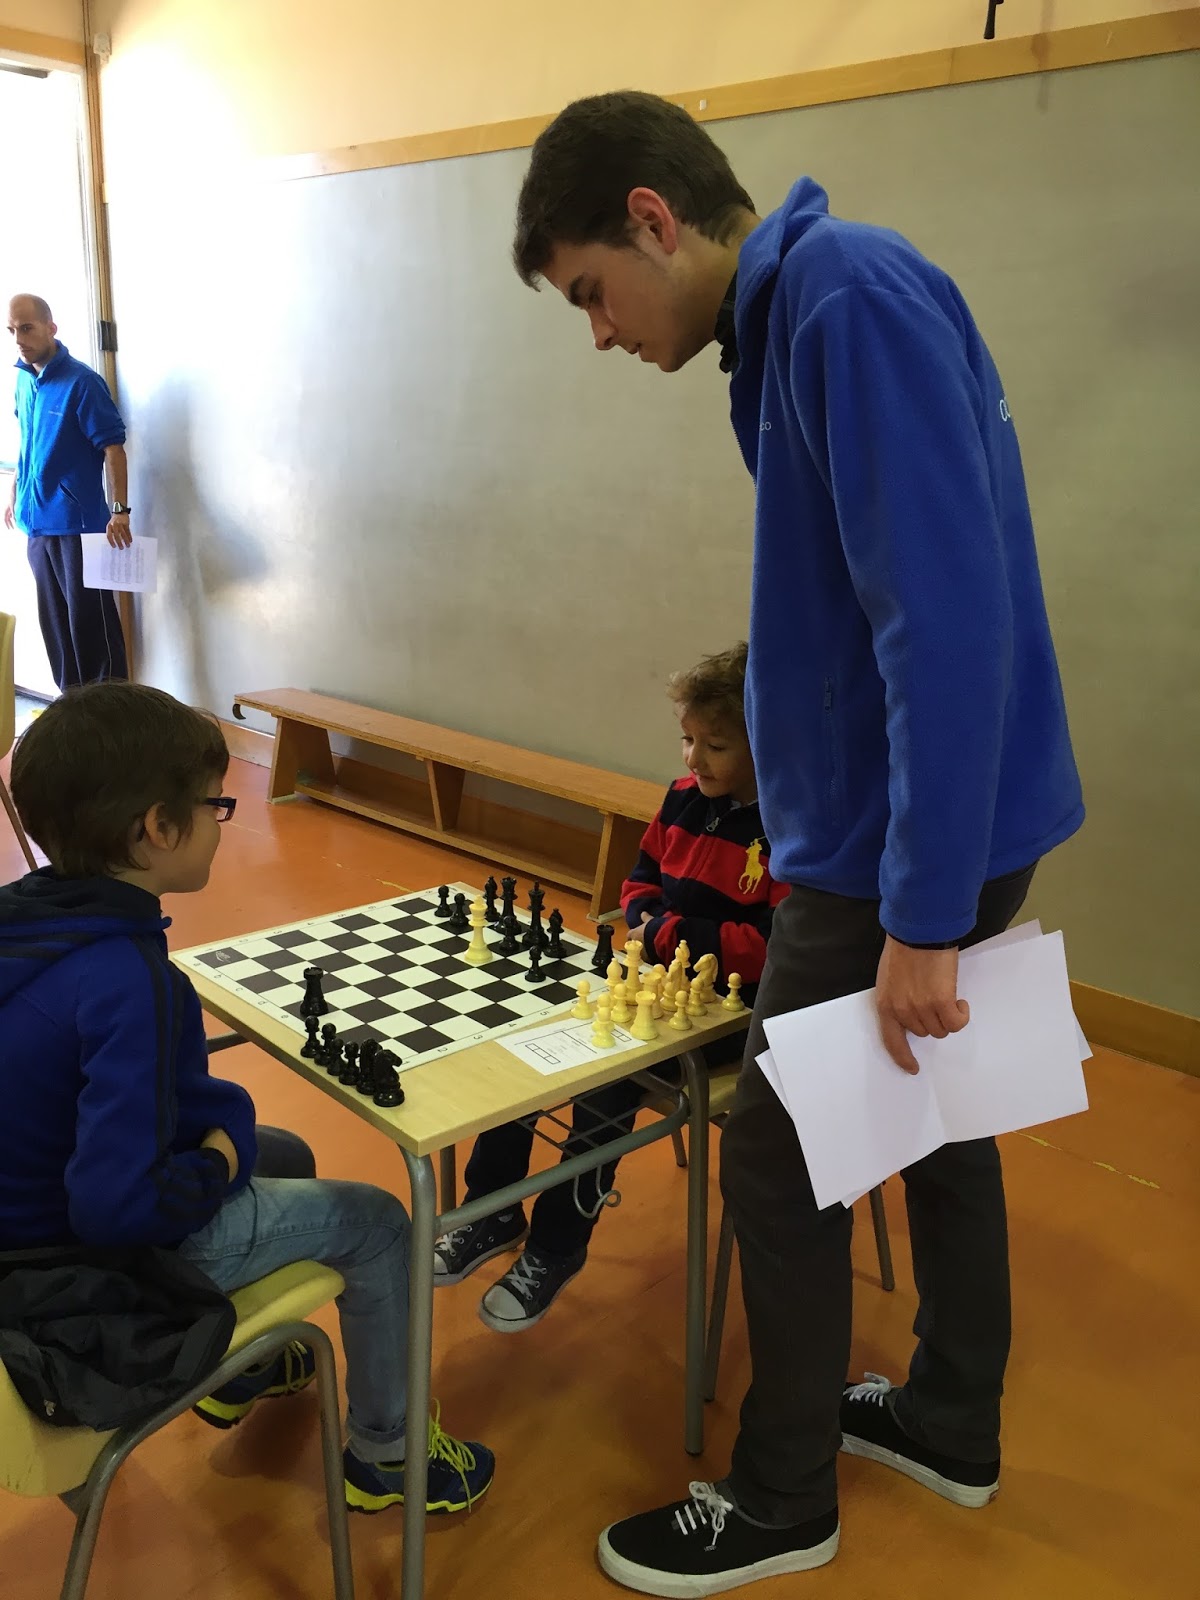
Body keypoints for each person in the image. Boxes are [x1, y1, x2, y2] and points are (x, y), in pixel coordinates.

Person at [513, 91, 1084, 1595]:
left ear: (652, 219)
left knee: (777, 1154)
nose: (600, 333)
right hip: (903, 823)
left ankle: (781, 1498)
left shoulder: (844, 302)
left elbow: (943, 623)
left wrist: (922, 911)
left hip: (897, 845)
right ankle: (951, 1417)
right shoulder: (796, 319)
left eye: (591, 293)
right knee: (937, 1112)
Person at [0, 682, 493, 1516]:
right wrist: (220, 1157)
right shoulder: (126, 980)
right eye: (214, 806)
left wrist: (229, 1139)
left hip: (20, 1229)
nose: (222, 822)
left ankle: (244, 1372)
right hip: (85, 1265)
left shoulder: (28, 922)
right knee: (380, 1222)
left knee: (285, 1152)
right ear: (157, 829)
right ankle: (390, 1454)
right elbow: (115, 1209)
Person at [433, 641, 784, 1335]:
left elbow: (771, 946)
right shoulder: (682, 800)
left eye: (715, 746)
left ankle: (555, 1246)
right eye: (687, 740)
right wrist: (650, 918)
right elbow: (639, 881)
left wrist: (665, 931)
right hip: (652, 984)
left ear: (766, 740)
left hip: (731, 1017)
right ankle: (491, 1209)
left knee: (607, 1079)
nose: (693, 759)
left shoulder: (787, 828)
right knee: (529, 1033)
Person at [5, 294, 130, 690]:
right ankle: (71, 714)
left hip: (79, 528)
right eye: (11, 330)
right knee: (58, 633)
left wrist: (120, 511)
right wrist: (15, 492)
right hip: (37, 526)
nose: (19, 339)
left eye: (27, 328)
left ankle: (111, 715)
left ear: (51, 328)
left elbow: (113, 449)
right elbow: (28, 443)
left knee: (93, 632)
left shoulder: (82, 382)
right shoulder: (23, 381)